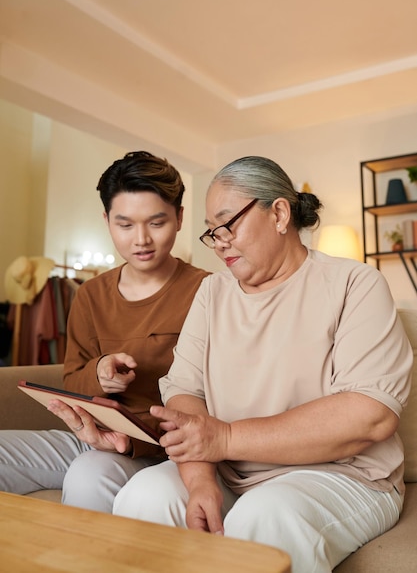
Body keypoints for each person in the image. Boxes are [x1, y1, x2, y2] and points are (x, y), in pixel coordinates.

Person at [113, 155, 413, 572]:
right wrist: (200, 479)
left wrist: (226, 438)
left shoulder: (354, 284)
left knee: (266, 517)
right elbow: (185, 392)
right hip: (228, 472)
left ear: (279, 213)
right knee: (142, 495)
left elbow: (369, 417)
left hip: (343, 476)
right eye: (211, 232)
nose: (218, 242)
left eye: (227, 224)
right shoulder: (213, 292)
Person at [0, 151, 209, 512]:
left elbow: (219, 398)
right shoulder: (90, 295)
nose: (141, 239)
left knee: (89, 473)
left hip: (156, 447)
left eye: (156, 223)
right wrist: (98, 374)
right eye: (124, 225)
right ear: (107, 220)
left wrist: (131, 443)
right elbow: (72, 381)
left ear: (179, 218)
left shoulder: (208, 292)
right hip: (91, 435)